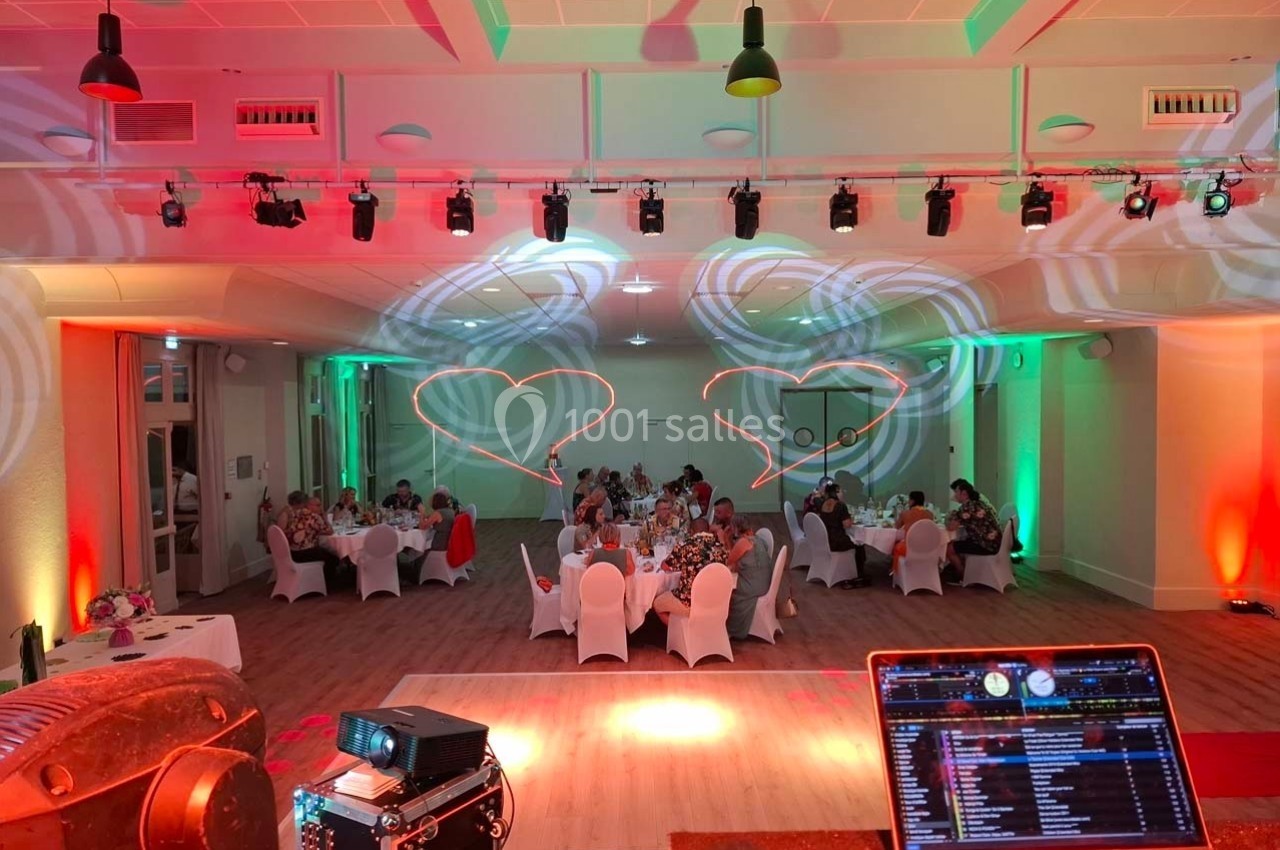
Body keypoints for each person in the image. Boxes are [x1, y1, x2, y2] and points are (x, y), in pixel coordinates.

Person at [652, 518, 727, 625]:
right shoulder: (720, 547)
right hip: (715, 601)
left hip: (690, 602)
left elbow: (665, 566)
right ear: (708, 530)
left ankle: (679, 630)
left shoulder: (685, 545)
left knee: (657, 603)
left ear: (691, 531)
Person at [944, 478, 1002, 584]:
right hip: (996, 543)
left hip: (985, 545)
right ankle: (968, 572)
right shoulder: (979, 503)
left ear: (964, 494)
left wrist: (950, 516)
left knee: (949, 548)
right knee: (960, 542)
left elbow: (951, 527)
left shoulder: (966, 508)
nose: (955, 495)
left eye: (956, 492)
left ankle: (962, 576)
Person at [724, 515, 772, 639]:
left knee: (725, 591)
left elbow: (728, 560)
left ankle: (728, 628)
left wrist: (725, 538)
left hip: (753, 586)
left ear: (734, 529)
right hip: (763, 582)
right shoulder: (757, 539)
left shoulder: (743, 542)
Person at [280, 490, 342, 582]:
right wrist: (325, 518)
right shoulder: (314, 517)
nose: (321, 508)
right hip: (305, 553)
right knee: (334, 558)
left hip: (291, 552)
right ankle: (326, 583)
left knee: (324, 551)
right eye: (318, 505)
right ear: (308, 505)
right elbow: (330, 531)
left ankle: (315, 579)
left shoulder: (293, 514)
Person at [817, 483, 867, 583]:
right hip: (837, 541)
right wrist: (851, 519)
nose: (842, 493)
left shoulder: (822, 504)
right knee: (859, 543)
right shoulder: (840, 505)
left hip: (825, 539)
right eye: (840, 491)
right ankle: (859, 573)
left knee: (856, 541)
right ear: (835, 493)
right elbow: (847, 525)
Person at [892, 490, 935, 573]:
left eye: (909, 499)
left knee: (896, 545)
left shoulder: (905, 513)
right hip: (927, 548)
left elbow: (897, 526)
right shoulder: (930, 515)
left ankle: (896, 570)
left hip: (910, 548)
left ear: (912, 501)